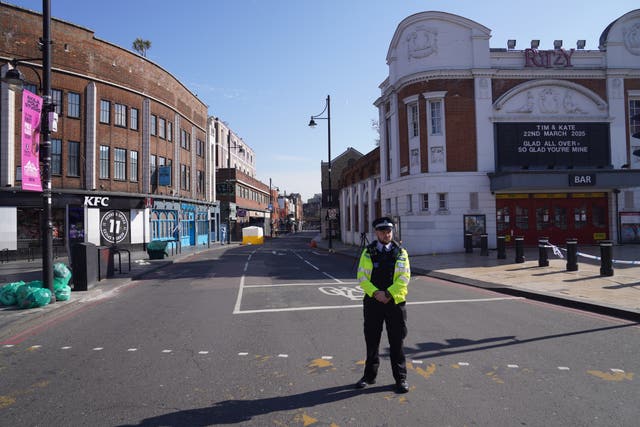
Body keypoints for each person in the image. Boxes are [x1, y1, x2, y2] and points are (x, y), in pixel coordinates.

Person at [355, 216, 411, 393]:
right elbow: (362, 277)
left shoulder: (401, 252)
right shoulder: (368, 252)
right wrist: (375, 293)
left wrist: (388, 293)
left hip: (395, 303)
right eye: (383, 231)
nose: (387, 234)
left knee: (397, 342)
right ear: (376, 232)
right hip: (373, 302)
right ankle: (369, 376)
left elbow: (404, 278)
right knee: (372, 340)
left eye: (389, 231)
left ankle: (400, 379)